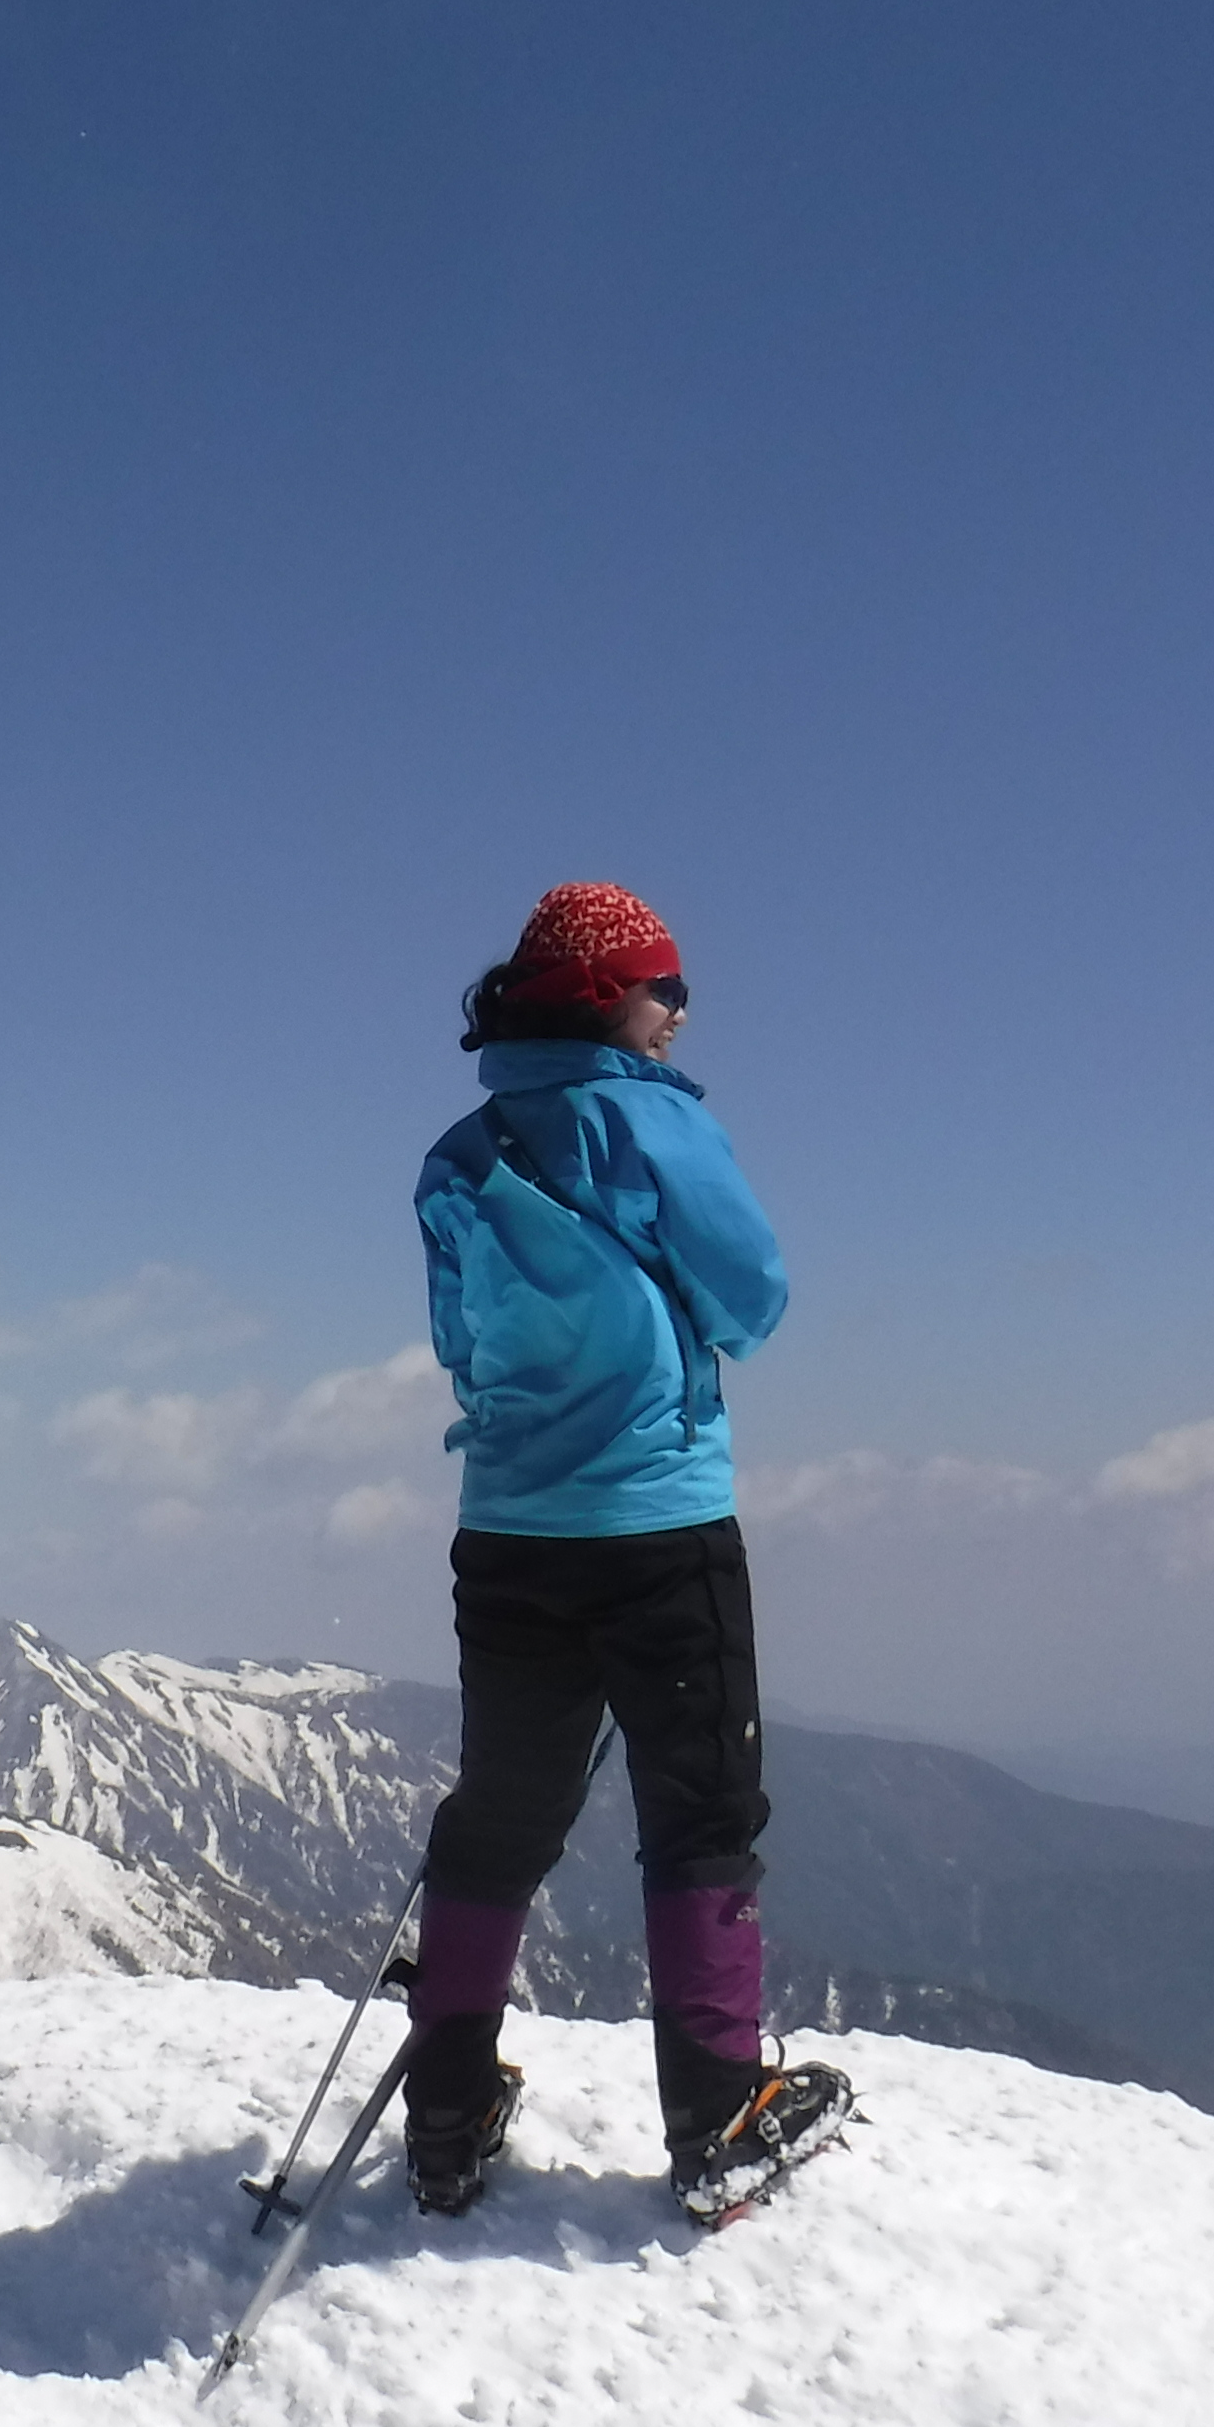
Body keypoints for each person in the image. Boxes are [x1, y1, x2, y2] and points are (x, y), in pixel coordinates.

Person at [403, 878, 828, 2227]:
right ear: (610, 997)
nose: (685, 1010)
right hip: (657, 1520)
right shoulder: (653, 1124)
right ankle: (717, 2113)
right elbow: (753, 1297)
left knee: (505, 1814)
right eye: (667, 986)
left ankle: (448, 2105)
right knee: (699, 1809)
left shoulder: (460, 1157)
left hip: (511, 1530)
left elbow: (461, 1344)